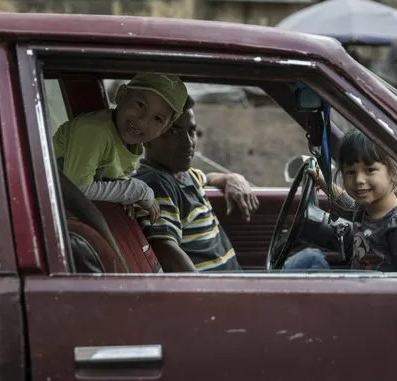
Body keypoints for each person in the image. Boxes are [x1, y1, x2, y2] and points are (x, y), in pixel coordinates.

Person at [134, 97, 329, 272]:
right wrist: (201, 293)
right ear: (149, 137)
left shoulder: (185, 175)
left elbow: (208, 178)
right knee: (312, 260)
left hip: (232, 283)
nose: (188, 142)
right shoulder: (155, 184)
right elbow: (166, 251)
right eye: (174, 132)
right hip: (217, 296)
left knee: (310, 258)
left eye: (192, 131)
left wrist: (230, 178)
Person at [53, 73, 189, 223]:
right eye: (141, 105)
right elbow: (78, 190)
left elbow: (107, 179)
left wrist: (123, 197)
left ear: (164, 129)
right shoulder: (94, 131)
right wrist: (136, 190)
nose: (143, 121)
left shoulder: (131, 146)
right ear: (121, 95)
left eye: (157, 118)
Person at [311, 129, 397, 272]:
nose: (359, 180)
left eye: (370, 170)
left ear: (394, 173)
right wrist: (321, 180)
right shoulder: (364, 208)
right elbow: (345, 202)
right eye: (350, 172)